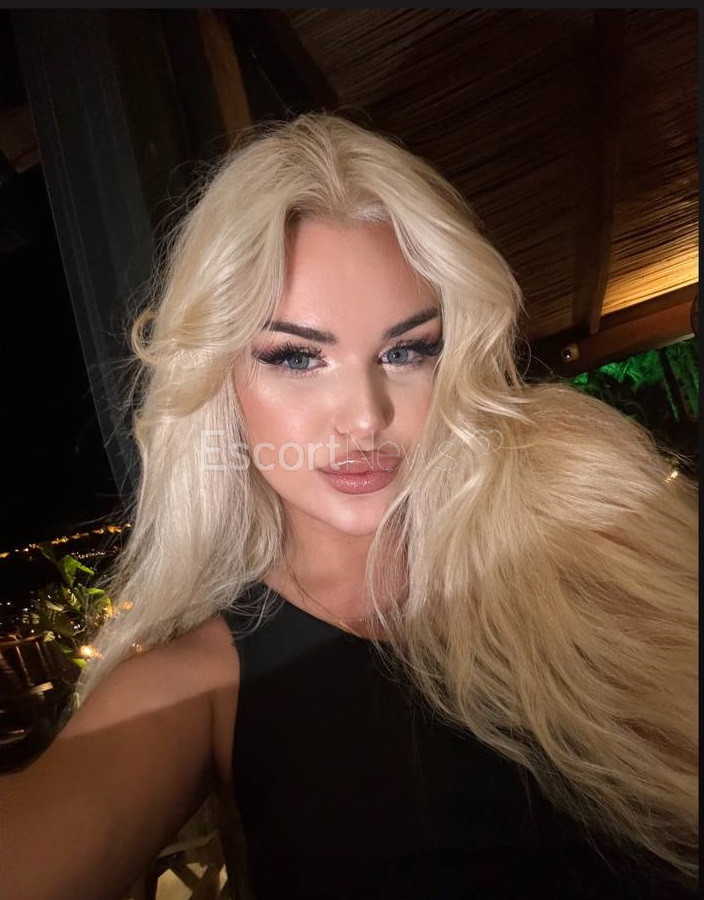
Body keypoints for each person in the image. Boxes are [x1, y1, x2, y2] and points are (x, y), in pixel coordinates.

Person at [1, 114, 697, 900]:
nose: (364, 417)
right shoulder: (194, 688)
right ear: (219, 379)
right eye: (297, 357)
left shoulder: (582, 526)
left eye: (407, 350)